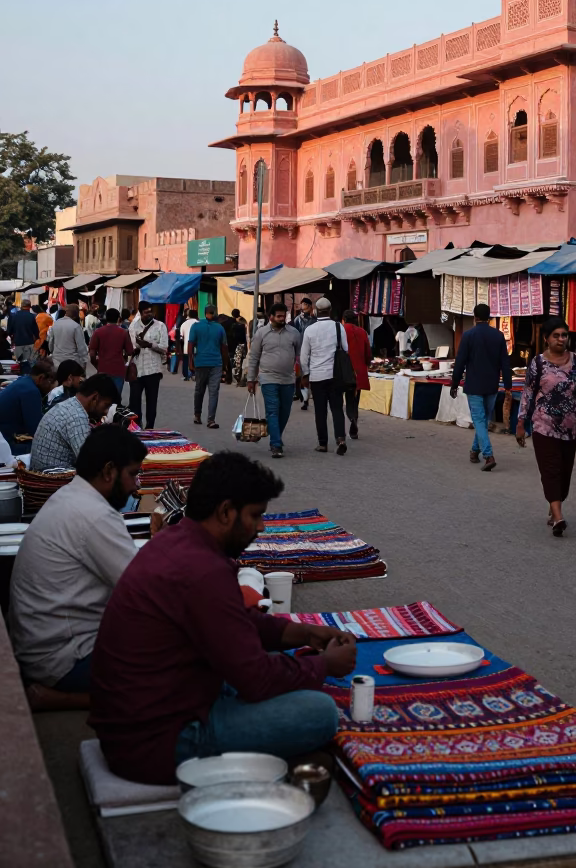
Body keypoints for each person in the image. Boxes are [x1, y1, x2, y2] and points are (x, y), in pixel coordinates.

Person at [90, 451, 356, 785]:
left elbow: (234, 624)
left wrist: (301, 633)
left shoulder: (179, 540)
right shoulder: (202, 571)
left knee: (278, 662)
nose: (261, 527)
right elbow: (255, 678)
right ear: (226, 511)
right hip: (158, 744)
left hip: (144, 721)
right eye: (255, 515)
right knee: (320, 713)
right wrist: (325, 666)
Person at [9, 425, 147, 709]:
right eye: (133, 474)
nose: (137, 485)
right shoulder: (94, 515)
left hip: (40, 647)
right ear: (109, 471)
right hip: (62, 660)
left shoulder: (72, 495)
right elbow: (146, 592)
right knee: (186, 661)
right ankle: (67, 699)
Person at [516, 317, 576, 536]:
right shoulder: (538, 363)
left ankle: (555, 504)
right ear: (546, 339)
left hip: (571, 427)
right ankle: (558, 517)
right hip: (543, 424)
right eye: (556, 335)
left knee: (565, 470)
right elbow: (528, 393)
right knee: (550, 468)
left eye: (564, 335)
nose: (561, 339)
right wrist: (521, 422)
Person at [450, 303, 512, 472]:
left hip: (474, 385)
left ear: (475, 317)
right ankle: (474, 451)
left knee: (479, 419)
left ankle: (488, 455)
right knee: (483, 420)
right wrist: (508, 385)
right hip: (492, 385)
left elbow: (460, 362)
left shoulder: (468, 335)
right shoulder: (498, 336)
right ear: (490, 317)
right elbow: (505, 363)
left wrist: (454, 383)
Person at [30, 374, 121, 471]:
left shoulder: (70, 405)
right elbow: (91, 463)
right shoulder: (77, 417)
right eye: (106, 405)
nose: (106, 412)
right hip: (54, 480)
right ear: (95, 398)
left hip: (43, 474)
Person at [247, 303, 301, 459]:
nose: (282, 318)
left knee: (285, 411)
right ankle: (276, 444)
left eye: (284, 316)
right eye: (279, 316)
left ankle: (274, 434)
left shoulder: (294, 333)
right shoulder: (261, 333)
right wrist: (251, 379)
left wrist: (302, 376)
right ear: (270, 317)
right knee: (272, 410)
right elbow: (254, 357)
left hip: (288, 379)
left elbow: (298, 356)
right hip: (268, 377)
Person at [299, 297, 348, 454]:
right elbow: (345, 349)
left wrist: (305, 375)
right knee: (337, 408)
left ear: (315, 311)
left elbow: (303, 356)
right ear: (330, 310)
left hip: (317, 376)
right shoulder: (338, 326)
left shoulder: (310, 330)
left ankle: (323, 443)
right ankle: (340, 439)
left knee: (320, 411)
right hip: (335, 375)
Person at [128, 301, 168, 430]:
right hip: (137, 369)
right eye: (146, 312)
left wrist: (150, 345)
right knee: (134, 401)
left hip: (153, 369)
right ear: (140, 312)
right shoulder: (133, 326)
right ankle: (137, 427)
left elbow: (164, 347)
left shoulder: (160, 326)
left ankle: (150, 427)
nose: (149, 314)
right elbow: (130, 346)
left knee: (151, 401)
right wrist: (136, 348)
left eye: (150, 311)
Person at [189, 305, 229, 429]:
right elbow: (224, 348)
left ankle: (198, 415)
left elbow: (190, 345)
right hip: (215, 363)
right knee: (213, 392)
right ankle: (210, 420)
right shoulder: (219, 328)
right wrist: (225, 365)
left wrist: (191, 362)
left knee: (199, 390)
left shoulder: (196, 326)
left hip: (201, 362)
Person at [0, 359, 55, 446]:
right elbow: (36, 429)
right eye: (50, 382)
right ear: (41, 378)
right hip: (7, 439)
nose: (50, 387)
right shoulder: (31, 391)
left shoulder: (25, 381)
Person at [89, 309, 134, 399]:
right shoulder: (123, 332)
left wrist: (96, 364)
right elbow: (130, 351)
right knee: (115, 398)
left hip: (103, 369)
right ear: (118, 318)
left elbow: (92, 353)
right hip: (118, 369)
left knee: (103, 399)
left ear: (106, 317)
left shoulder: (98, 332)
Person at [342, 310, 371, 440]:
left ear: (344, 319)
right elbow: (368, 354)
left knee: (347, 399)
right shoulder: (362, 332)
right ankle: (354, 420)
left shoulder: (341, 330)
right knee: (355, 399)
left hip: (345, 371)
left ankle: (351, 418)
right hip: (359, 372)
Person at [48, 303, 89, 370]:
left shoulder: (56, 324)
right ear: (76, 314)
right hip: (72, 361)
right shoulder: (76, 326)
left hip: (57, 361)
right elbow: (81, 346)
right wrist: (84, 361)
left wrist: (53, 352)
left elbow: (50, 343)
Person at [292, 297, 316, 408]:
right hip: (300, 351)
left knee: (311, 376)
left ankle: (308, 397)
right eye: (303, 304)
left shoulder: (314, 320)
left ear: (311, 306)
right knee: (301, 376)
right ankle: (303, 397)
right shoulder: (297, 320)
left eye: (306, 304)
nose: (304, 306)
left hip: (313, 352)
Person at [9, 298, 39, 371]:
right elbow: (36, 331)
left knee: (20, 364)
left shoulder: (13, 316)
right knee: (29, 364)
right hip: (29, 343)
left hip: (18, 343)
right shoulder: (32, 316)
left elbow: (9, 331)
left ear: (21, 306)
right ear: (29, 307)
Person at [228, 308, 249, 386]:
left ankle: (238, 379)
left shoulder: (235, 324)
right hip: (244, 345)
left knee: (237, 363)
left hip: (238, 346)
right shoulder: (244, 321)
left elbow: (233, 336)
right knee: (242, 362)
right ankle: (241, 378)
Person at [180, 306, 199, 381]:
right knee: (196, 361)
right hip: (197, 347)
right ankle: (195, 375)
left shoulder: (184, 324)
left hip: (186, 347)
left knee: (186, 361)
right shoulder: (199, 323)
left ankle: (186, 376)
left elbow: (181, 337)